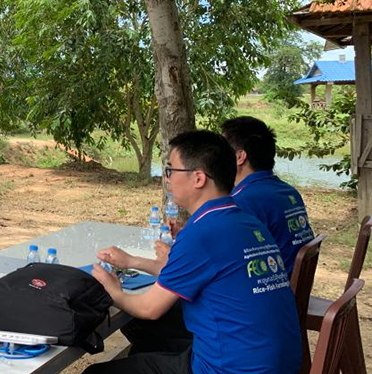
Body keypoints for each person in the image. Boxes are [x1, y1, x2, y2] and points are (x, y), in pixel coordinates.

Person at [84, 130, 301, 374]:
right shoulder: (245, 221)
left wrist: (112, 289)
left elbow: (149, 308)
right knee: (144, 333)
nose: (166, 179)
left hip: (232, 368)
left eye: (170, 171)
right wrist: (131, 260)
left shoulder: (203, 232)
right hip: (276, 361)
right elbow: (195, 273)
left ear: (198, 178)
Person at [222, 116, 315, 275]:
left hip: (267, 291)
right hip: (291, 287)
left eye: (221, 151)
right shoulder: (288, 191)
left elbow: (224, 257)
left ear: (239, 157)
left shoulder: (242, 201)